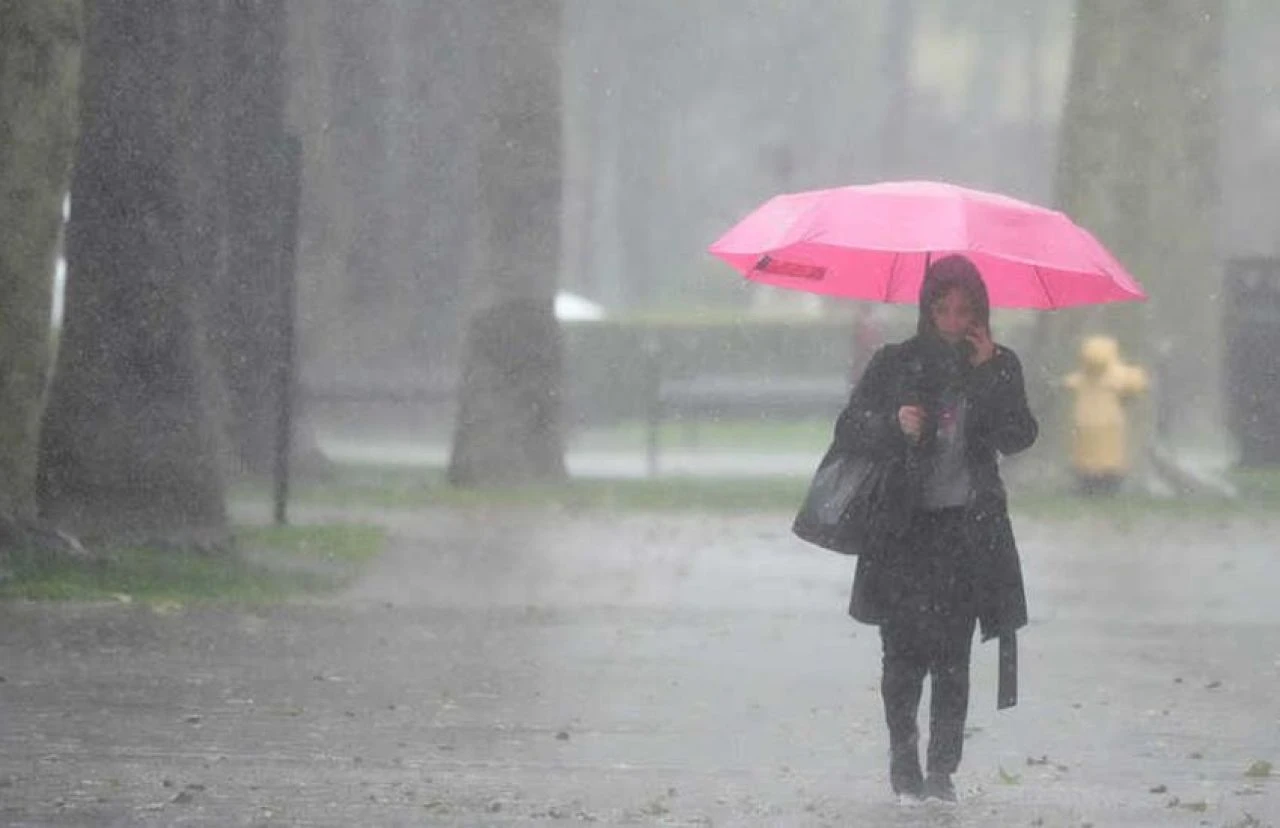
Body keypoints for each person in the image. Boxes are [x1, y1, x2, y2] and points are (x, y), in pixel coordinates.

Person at [830, 255, 1038, 803]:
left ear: (980, 312)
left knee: (953, 657)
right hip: (902, 531)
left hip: (968, 533)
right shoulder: (896, 363)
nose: (950, 320)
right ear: (926, 309)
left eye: (963, 310)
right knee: (901, 655)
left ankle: (942, 769)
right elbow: (850, 427)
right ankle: (903, 758)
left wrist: (990, 370)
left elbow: (1019, 436)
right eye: (941, 309)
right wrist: (893, 424)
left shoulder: (998, 363)